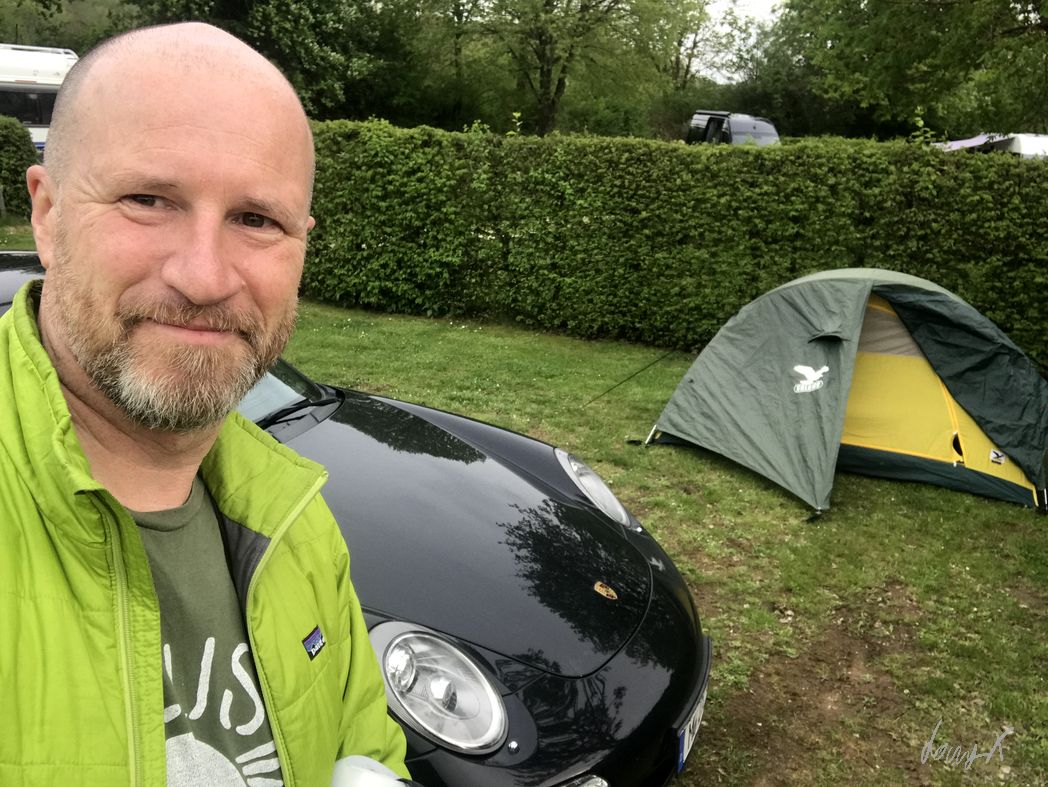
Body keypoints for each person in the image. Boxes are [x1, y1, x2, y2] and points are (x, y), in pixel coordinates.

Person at [0, 22, 414, 786]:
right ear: (47, 216)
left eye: (257, 219)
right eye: (148, 200)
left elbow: (366, 747)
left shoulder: (297, 519)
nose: (204, 276)